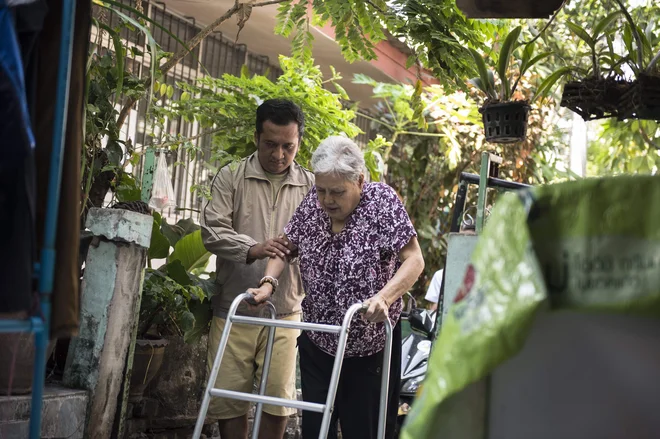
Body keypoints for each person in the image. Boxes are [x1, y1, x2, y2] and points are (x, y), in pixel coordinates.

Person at [248, 136, 425, 439]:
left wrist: (384, 298)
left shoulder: (382, 202)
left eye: (337, 192)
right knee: (317, 430)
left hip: (370, 348)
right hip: (320, 342)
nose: (327, 200)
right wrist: (267, 284)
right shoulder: (313, 205)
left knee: (364, 430)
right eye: (321, 190)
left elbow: (414, 260)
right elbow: (285, 246)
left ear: (359, 180)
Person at [201, 99, 314, 439]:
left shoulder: (311, 187)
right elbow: (212, 231)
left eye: (288, 147)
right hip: (233, 308)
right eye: (270, 144)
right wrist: (253, 248)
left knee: (278, 402)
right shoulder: (231, 176)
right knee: (229, 401)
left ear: (298, 143)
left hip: (286, 311)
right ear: (256, 138)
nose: (279, 154)